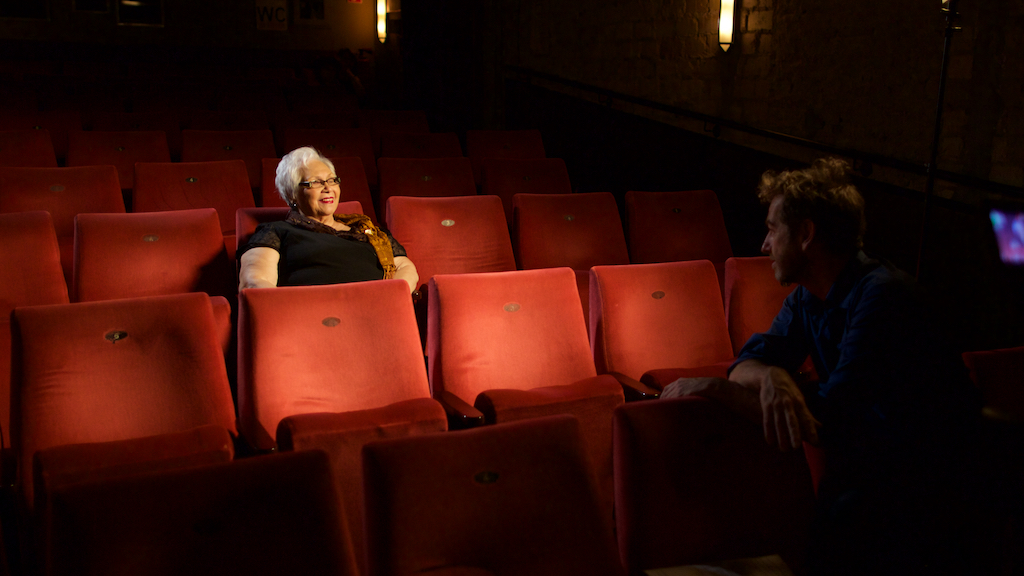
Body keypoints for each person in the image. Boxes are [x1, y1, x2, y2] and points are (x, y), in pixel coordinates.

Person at [662, 158, 986, 575]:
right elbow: (749, 361)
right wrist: (773, 375)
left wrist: (718, 389)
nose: (764, 244)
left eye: (773, 229)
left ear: (806, 235)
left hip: (933, 489)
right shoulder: (807, 296)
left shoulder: (882, 296)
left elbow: (829, 418)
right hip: (871, 477)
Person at [239, 147, 417, 292]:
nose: (327, 188)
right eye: (315, 182)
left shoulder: (368, 231)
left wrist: (389, 296)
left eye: (332, 180)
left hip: (375, 311)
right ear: (292, 194)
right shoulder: (275, 231)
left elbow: (405, 267)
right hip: (313, 318)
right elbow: (255, 282)